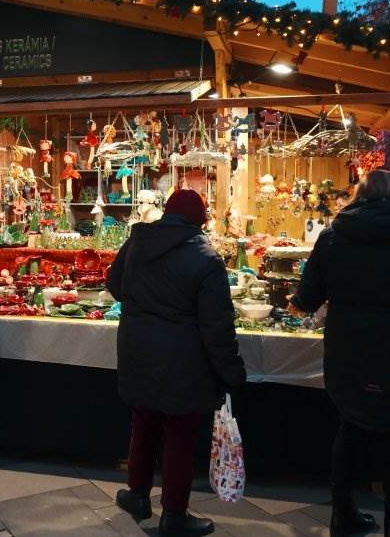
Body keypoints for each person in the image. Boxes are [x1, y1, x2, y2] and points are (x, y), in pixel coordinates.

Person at [291, 170, 390, 537]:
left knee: (349, 429)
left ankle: (342, 514)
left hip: (348, 351)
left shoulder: (333, 239)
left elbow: (307, 297)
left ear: (359, 197)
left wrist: (299, 303)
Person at [107, 189, 246, 537]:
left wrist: (145, 306)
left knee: (144, 422)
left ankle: (137, 495)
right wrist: (232, 372)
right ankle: (174, 515)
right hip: (183, 360)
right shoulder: (206, 258)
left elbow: (114, 285)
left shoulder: (138, 241)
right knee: (179, 435)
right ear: (200, 218)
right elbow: (217, 327)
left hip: (138, 350)